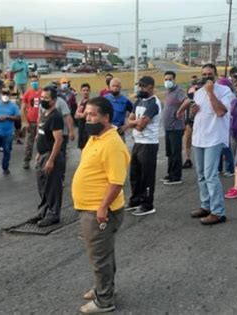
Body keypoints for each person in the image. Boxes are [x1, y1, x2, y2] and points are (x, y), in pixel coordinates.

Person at [72, 96, 130, 314]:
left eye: (93, 114)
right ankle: (102, 288)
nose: (88, 118)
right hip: (90, 207)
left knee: (100, 257)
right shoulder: (96, 137)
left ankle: (104, 300)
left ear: (106, 117)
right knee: (102, 253)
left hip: (100, 212)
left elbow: (117, 181)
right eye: (86, 114)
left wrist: (103, 207)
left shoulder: (112, 144)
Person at [190, 64, 234, 225]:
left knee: (210, 175)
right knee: (201, 175)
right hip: (199, 138)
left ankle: (218, 212)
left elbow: (221, 112)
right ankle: (206, 206)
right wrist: (194, 111)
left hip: (214, 138)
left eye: (210, 74)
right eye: (204, 74)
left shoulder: (225, 91)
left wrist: (210, 92)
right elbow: (200, 113)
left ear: (215, 75)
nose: (207, 76)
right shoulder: (198, 93)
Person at [28, 86, 65, 227]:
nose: (42, 100)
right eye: (41, 97)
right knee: (42, 185)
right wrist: (38, 153)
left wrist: (51, 160)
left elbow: (58, 140)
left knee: (52, 187)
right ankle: (43, 211)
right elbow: (42, 135)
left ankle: (53, 214)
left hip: (51, 155)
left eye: (46, 98)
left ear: (54, 100)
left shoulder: (55, 116)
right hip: (43, 154)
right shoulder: (44, 113)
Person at [126, 76, 161, 216]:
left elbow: (140, 126)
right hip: (138, 142)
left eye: (143, 86)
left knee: (147, 176)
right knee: (134, 174)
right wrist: (135, 122)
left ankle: (147, 204)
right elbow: (131, 119)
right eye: (139, 86)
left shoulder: (154, 104)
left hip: (149, 144)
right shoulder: (139, 101)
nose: (140, 89)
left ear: (151, 87)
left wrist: (134, 123)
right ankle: (135, 200)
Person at [162, 70, 189, 185]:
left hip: (176, 127)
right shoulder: (168, 91)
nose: (168, 81)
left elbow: (187, 101)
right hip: (168, 128)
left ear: (174, 79)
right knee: (169, 152)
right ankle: (170, 173)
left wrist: (180, 110)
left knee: (175, 152)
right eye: (166, 79)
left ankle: (176, 176)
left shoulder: (179, 91)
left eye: (170, 79)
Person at [21, 75, 42, 169]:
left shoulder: (43, 92)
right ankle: (26, 161)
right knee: (29, 143)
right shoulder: (28, 93)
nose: (34, 82)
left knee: (41, 142)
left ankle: (40, 161)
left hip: (41, 122)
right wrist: (25, 122)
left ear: (38, 81)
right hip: (31, 122)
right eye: (32, 81)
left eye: (35, 80)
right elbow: (23, 109)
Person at [216, 77, 235, 177]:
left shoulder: (230, 96)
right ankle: (218, 168)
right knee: (217, 147)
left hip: (227, 124)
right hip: (218, 124)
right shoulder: (219, 95)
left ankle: (230, 168)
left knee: (226, 147)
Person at [183, 76, 200, 169]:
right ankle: (188, 159)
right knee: (187, 141)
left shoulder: (201, 92)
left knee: (199, 142)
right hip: (190, 121)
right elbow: (185, 106)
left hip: (200, 121)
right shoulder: (189, 91)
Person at [75, 83, 91, 150]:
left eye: (87, 90)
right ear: (81, 91)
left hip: (88, 128)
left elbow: (84, 116)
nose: (85, 92)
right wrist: (79, 114)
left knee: (88, 147)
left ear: (89, 91)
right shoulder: (80, 102)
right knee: (82, 147)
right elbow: (75, 115)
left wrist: (79, 114)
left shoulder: (90, 102)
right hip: (80, 127)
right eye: (84, 90)